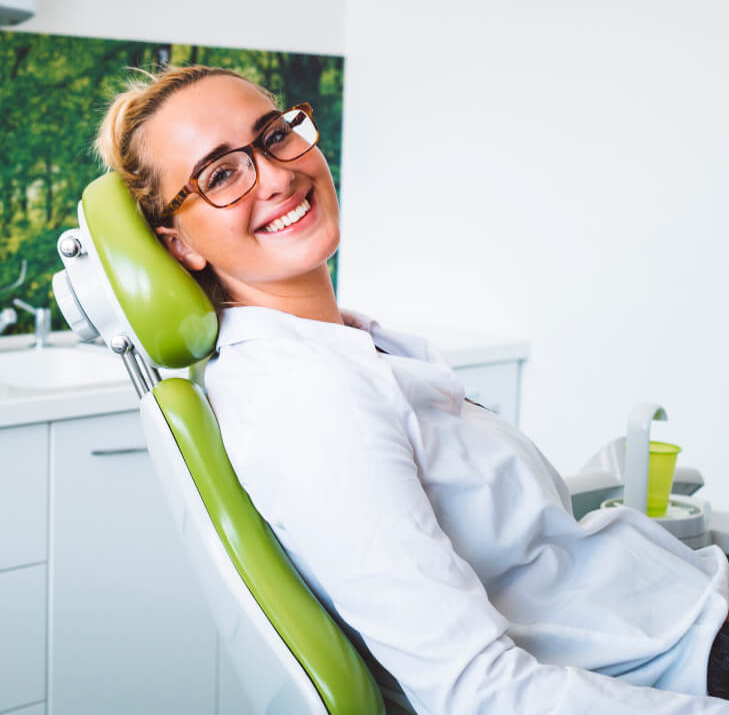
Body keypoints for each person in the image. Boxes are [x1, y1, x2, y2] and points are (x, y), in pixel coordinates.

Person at [96, 64, 729, 714]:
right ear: (179, 246)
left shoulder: (339, 346)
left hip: (675, 609)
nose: (279, 175)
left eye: (275, 135)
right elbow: (477, 693)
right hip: (678, 660)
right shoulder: (309, 401)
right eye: (221, 174)